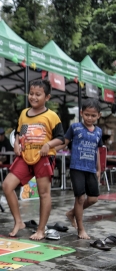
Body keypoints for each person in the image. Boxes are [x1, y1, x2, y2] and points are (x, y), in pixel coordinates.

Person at [2, 79, 64, 240]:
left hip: (44, 158)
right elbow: (20, 132)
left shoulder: (52, 116)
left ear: (47, 97)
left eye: (38, 94)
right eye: (31, 93)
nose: (33, 97)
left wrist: (48, 145)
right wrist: (16, 143)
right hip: (25, 156)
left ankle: (41, 230)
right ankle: (19, 222)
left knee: (44, 193)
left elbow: (61, 138)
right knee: (7, 186)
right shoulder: (24, 114)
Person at [54, 99, 102, 239]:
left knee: (93, 199)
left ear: (98, 115)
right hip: (77, 167)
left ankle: (72, 212)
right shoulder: (74, 127)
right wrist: (50, 149)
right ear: (81, 113)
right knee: (80, 198)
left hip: (91, 169)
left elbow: (97, 151)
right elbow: (64, 143)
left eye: (93, 116)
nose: (90, 118)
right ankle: (81, 229)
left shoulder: (99, 132)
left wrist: (99, 169)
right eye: (87, 114)